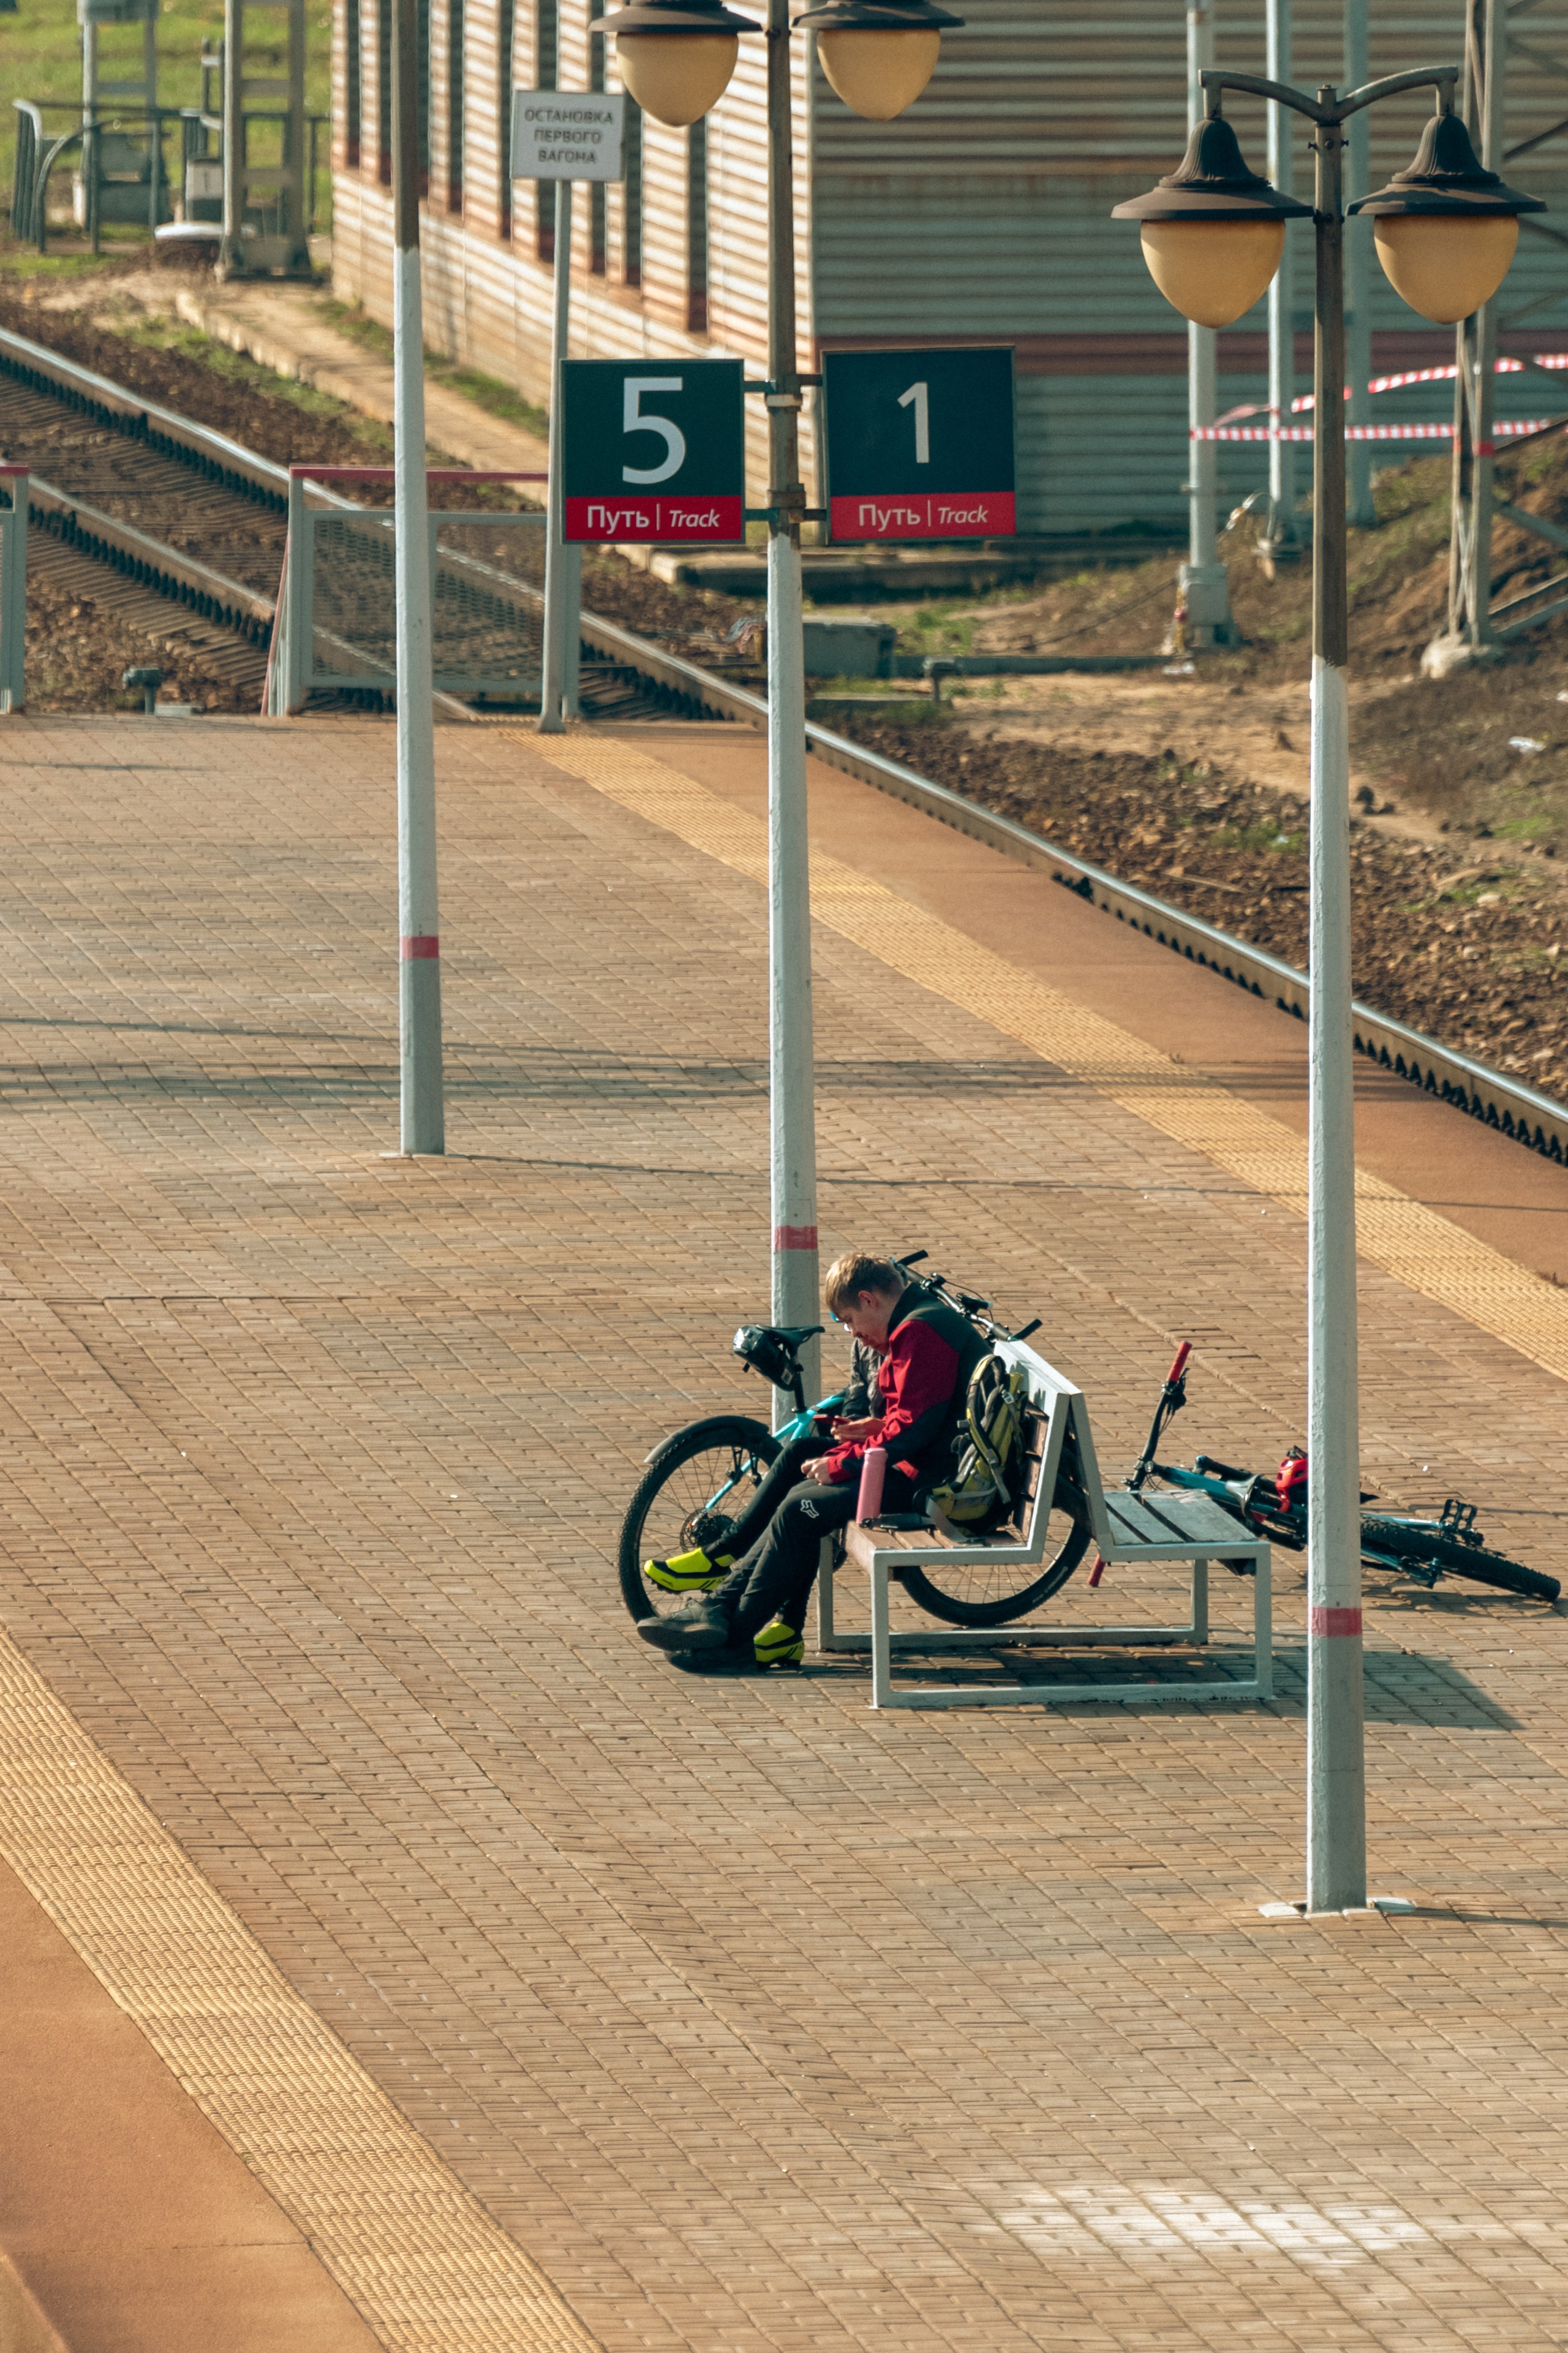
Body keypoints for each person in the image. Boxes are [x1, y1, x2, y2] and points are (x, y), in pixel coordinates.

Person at [636, 1250, 987, 1671]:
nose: (854, 1334)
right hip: (918, 1462)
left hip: (933, 1482)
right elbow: (915, 1419)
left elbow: (914, 1431)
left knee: (800, 1510)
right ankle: (721, 1602)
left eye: (849, 1320)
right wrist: (865, 1431)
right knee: (800, 1456)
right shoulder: (915, 1320)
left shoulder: (919, 1331)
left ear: (869, 1299)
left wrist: (841, 1464)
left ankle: (734, 1637)